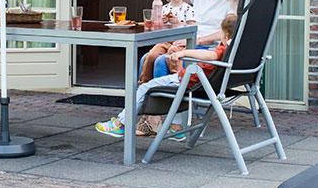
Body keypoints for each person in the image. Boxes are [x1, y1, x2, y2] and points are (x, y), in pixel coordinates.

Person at [95, 13, 238, 139]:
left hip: (189, 82)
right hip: (208, 84)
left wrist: (184, 53)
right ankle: (173, 125)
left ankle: (121, 123)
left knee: (145, 88)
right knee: (156, 66)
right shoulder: (237, 50)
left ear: (225, 36)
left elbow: (211, 55)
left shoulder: (223, 49)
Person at [143, 0, 243, 80]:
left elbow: (228, 31)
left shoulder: (232, 1)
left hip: (206, 48)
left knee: (161, 61)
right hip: (184, 41)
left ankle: (166, 91)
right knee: (146, 58)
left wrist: (198, 40)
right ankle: (145, 90)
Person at [138, 0, 196, 84]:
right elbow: (156, 28)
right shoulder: (163, 8)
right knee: (151, 55)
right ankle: (144, 82)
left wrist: (177, 23)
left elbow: (192, 29)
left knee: (172, 52)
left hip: (180, 43)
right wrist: (160, 22)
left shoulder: (188, 9)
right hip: (164, 41)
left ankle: (176, 79)